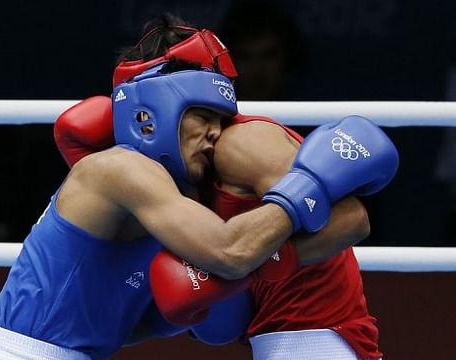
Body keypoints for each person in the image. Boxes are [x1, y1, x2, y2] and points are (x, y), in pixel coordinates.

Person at [53, 16, 398, 360]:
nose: (215, 129)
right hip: (272, 340)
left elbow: (353, 219)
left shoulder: (240, 145)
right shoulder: (159, 182)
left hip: (318, 337)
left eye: (212, 114)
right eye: (201, 116)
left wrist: (250, 266)